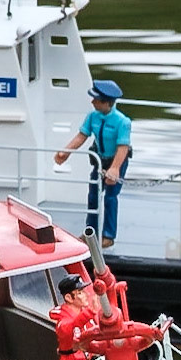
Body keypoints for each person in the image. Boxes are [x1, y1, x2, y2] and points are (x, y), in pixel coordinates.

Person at [53, 79, 132, 247]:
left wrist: (115, 168)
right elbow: (82, 135)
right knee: (93, 196)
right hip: (99, 160)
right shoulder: (92, 117)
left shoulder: (122, 122)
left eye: (96, 99)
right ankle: (91, 232)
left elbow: (122, 147)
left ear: (106, 102)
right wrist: (65, 152)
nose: (92, 102)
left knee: (111, 197)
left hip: (116, 160)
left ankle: (108, 236)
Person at [50, 273, 100, 360]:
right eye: (80, 292)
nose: (86, 295)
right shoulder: (64, 321)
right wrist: (91, 311)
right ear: (68, 297)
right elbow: (69, 327)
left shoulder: (83, 317)